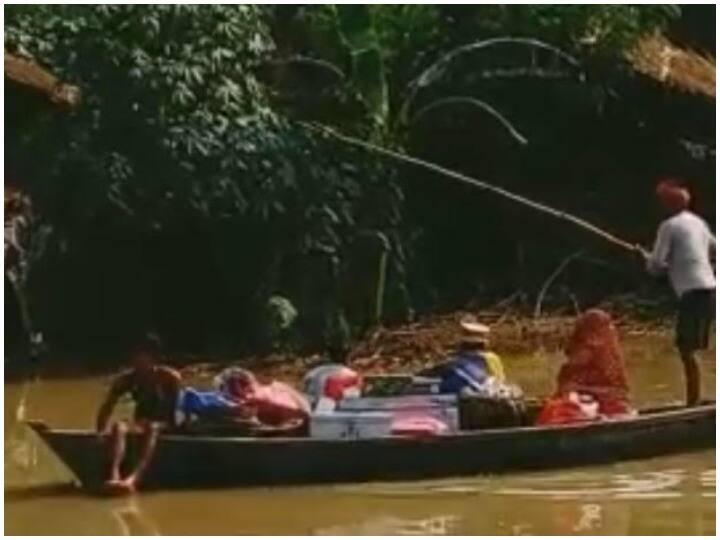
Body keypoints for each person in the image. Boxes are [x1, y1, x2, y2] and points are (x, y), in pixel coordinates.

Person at [636, 179, 715, 406]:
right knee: (695, 347)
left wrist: (644, 258)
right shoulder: (698, 223)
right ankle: (697, 400)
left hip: (692, 293)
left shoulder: (668, 226)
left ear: (667, 203)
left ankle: (693, 403)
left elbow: (656, 266)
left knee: (686, 349)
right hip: (710, 289)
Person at [95, 333, 181, 494]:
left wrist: (163, 426)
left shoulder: (169, 378)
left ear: (153, 358)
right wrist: (100, 433)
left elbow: (173, 414)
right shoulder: (126, 380)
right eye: (135, 357)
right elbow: (107, 408)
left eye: (142, 357)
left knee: (152, 427)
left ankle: (133, 479)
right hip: (141, 422)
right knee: (118, 426)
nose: (137, 362)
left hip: (164, 423)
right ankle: (114, 476)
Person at [537, 309, 633, 425]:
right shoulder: (572, 364)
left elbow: (619, 394)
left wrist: (581, 389)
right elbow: (563, 390)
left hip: (610, 413)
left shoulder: (608, 363)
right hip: (579, 410)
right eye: (584, 343)